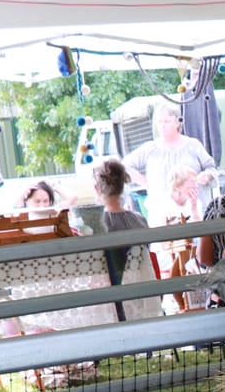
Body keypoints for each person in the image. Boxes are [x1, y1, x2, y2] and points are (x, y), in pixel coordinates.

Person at [124, 103, 216, 223]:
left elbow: (211, 167)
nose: (162, 125)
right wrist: (144, 182)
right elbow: (123, 167)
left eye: (166, 121)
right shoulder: (150, 148)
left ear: (177, 122)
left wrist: (207, 176)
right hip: (161, 215)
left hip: (194, 212)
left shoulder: (193, 145)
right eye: (159, 122)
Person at [93, 157, 146, 321]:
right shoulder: (139, 221)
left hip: (110, 299)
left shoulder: (97, 225)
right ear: (123, 185)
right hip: (141, 293)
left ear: (97, 189)